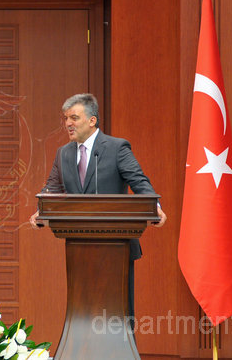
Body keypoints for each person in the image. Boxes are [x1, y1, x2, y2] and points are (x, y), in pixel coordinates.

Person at [29, 93, 166, 321]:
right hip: (79, 245)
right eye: (66, 118)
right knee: (83, 313)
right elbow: (52, 188)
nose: (68, 123)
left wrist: (155, 206)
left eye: (74, 118)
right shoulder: (64, 153)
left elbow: (138, 180)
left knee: (118, 315)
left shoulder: (116, 148)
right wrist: (40, 211)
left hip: (116, 245)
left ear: (92, 120)